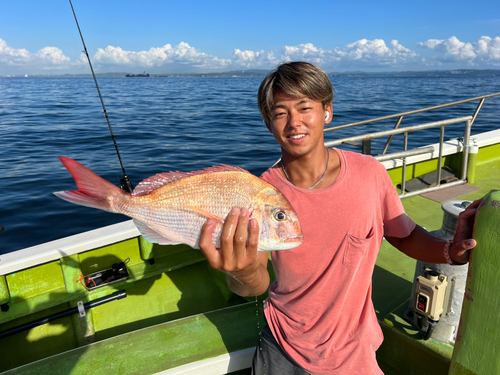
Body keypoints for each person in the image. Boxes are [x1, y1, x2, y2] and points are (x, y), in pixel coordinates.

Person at [198, 61, 480, 375]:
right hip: (283, 347)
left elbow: (403, 234)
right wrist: (243, 272)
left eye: (305, 108)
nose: (294, 123)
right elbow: (256, 285)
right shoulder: (260, 193)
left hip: (355, 351)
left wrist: (450, 253)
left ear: (327, 111)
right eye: (280, 113)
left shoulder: (369, 173)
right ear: (268, 123)